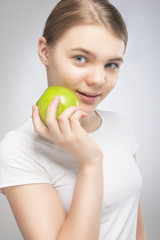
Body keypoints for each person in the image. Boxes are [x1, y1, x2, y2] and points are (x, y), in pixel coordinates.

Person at [0, 0, 147, 239]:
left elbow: (138, 231)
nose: (99, 79)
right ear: (45, 52)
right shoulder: (19, 149)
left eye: (111, 64)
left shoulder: (121, 127)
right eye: (81, 58)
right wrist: (90, 162)